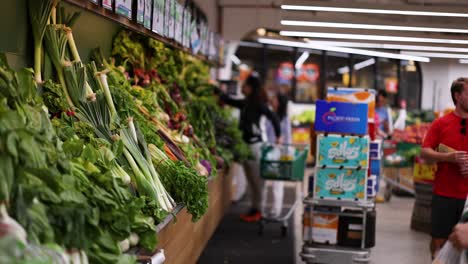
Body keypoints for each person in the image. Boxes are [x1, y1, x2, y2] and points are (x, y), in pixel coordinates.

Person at [217, 74, 282, 222]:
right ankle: (254, 209)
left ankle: (258, 210)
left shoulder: (258, 103)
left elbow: (274, 117)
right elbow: (231, 101)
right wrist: (219, 93)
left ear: (251, 87)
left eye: (244, 85)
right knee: (251, 180)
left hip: (255, 146)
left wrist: (279, 135)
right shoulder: (247, 102)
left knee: (258, 181)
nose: (242, 87)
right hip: (246, 146)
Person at [421, 77, 468, 259]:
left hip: (467, 198)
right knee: (439, 240)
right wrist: (447, 157)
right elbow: (425, 152)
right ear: (457, 96)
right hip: (444, 192)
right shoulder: (441, 123)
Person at [264, 92, 292, 217]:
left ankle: (276, 210)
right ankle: (263, 208)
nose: (272, 100)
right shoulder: (269, 115)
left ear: (280, 103)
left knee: (277, 184)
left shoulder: (285, 119)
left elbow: (288, 139)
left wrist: (286, 155)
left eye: (275, 99)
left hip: (279, 154)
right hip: (268, 152)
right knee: (264, 182)